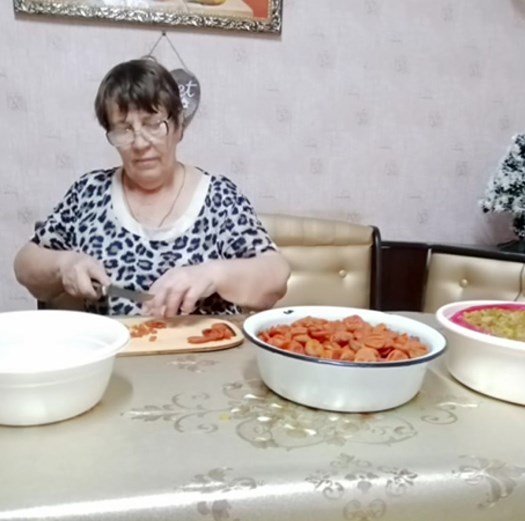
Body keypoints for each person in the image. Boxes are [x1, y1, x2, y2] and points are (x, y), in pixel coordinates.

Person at [14, 58, 290, 317]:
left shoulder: (219, 197)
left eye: (153, 124)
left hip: (204, 349)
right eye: (123, 129)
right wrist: (63, 265)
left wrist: (213, 274)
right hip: (115, 350)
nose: (140, 143)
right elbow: (25, 263)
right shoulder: (89, 192)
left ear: (179, 126)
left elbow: (276, 277)